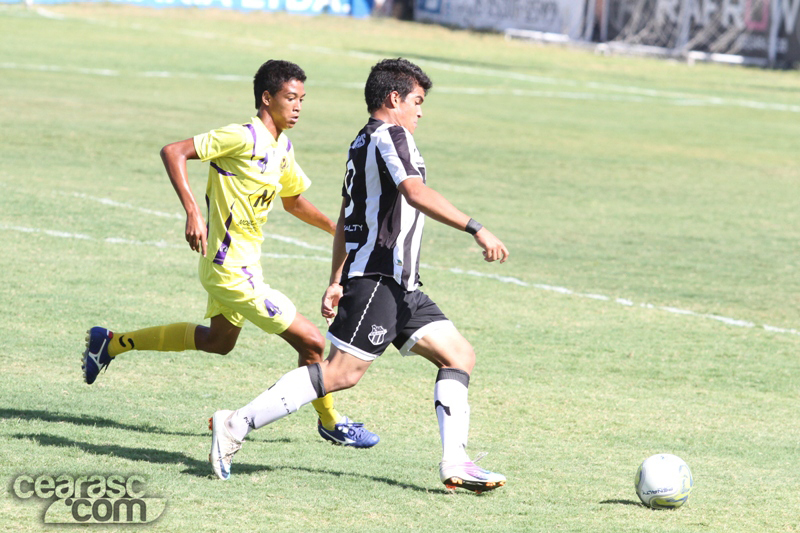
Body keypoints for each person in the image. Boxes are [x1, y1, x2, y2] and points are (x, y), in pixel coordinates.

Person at [208, 58, 509, 493]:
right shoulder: (391, 135)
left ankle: (454, 460)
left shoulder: (362, 142)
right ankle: (236, 423)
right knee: (342, 373)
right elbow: (415, 192)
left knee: (459, 356)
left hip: (402, 283)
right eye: (417, 101)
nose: (420, 112)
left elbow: (348, 219)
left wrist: (334, 278)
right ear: (394, 99)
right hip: (378, 277)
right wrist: (476, 228)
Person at [82, 59, 378, 450]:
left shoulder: (282, 148)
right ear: (266, 98)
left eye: (302, 99)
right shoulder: (242, 137)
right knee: (312, 343)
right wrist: (192, 211)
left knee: (218, 341)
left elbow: (293, 201)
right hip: (231, 270)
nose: (298, 106)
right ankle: (331, 422)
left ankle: (112, 343)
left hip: (241, 265)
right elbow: (173, 152)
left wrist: (336, 229)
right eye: (290, 98)